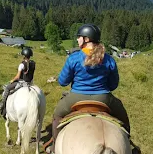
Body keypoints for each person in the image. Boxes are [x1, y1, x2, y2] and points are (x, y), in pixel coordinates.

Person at [47, 24, 130, 153]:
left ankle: (54, 147)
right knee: (123, 117)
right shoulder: (109, 59)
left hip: (75, 97)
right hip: (104, 98)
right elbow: (114, 85)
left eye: (79, 37)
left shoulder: (73, 58)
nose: (77, 39)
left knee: (57, 115)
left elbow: (63, 82)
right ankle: (129, 145)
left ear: (86, 39)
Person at [0, 47, 36, 117]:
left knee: (7, 88)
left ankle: (2, 104)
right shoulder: (33, 63)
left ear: (24, 56)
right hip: (30, 84)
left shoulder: (22, 65)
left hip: (22, 83)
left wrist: (12, 80)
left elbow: (17, 77)